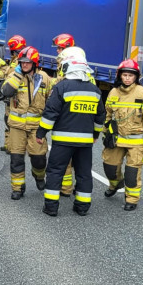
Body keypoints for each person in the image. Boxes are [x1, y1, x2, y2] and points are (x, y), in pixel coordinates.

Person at [35, 47, 106, 217]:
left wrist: (40, 133)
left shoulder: (62, 87)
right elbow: (100, 117)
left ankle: (51, 207)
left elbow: (50, 114)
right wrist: (95, 135)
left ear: (67, 68)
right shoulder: (95, 91)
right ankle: (82, 207)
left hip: (62, 142)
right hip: (85, 143)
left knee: (55, 172)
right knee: (83, 173)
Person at [101, 59, 143, 211]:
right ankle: (115, 183)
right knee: (109, 168)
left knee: (132, 174)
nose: (127, 78)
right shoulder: (113, 92)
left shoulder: (142, 93)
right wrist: (105, 133)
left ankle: (131, 199)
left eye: (130, 76)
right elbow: (107, 114)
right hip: (116, 140)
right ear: (120, 76)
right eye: (124, 75)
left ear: (136, 77)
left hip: (136, 141)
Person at [0, 46, 51, 200]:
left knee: (39, 158)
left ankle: (39, 176)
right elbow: (5, 92)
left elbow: (51, 100)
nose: (24, 65)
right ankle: (18, 188)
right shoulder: (14, 76)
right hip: (16, 126)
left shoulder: (44, 78)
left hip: (36, 127)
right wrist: (17, 76)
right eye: (22, 62)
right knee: (16, 159)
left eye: (28, 62)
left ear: (34, 63)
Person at [49, 34, 79, 197]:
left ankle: (73, 189)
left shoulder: (72, 68)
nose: (58, 52)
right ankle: (67, 188)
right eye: (58, 48)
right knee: (69, 158)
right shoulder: (64, 66)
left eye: (61, 48)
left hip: (71, 118)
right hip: (71, 119)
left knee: (71, 157)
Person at [0, 35, 27, 152]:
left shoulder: (19, 62)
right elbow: (6, 71)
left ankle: (13, 146)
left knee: (11, 120)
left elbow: (11, 75)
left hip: (15, 95)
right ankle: (8, 145)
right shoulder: (15, 61)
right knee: (7, 118)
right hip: (10, 95)